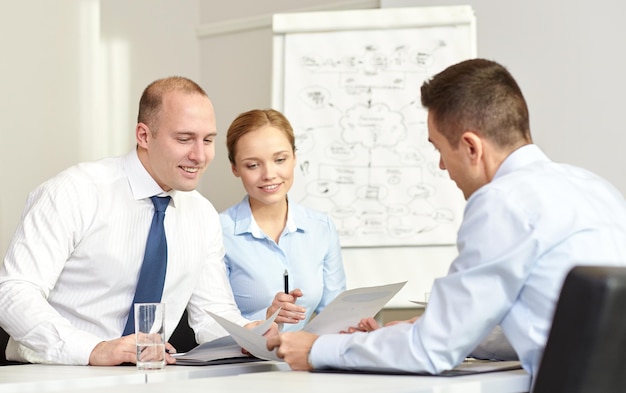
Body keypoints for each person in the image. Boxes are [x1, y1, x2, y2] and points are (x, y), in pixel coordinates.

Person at [266, 58, 626, 380]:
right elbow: (548, 329)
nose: (441, 165)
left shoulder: (501, 202)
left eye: (439, 148)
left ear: (471, 147)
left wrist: (316, 349)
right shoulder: (597, 189)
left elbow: (431, 350)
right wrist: (444, 330)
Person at [0, 76, 274, 366]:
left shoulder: (202, 215)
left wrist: (247, 334)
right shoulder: (74, 191)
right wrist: (93, 349)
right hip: (54, 372)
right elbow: (13, 291)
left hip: (146, 374)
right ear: (143, 136)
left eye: (207, 140)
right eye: (184, 139)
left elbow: (211, 312)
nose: (200, 155)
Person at [220, 109, 346, 331]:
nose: (269, 174)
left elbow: (335, 314)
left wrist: (354, 326)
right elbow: (209, 320)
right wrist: (266, 318)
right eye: (252, 165)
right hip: (240, 362)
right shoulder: (218, 231)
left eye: (280, 160)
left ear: (294, 157)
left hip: (302, 361)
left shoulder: (321, 228)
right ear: (234, 168)